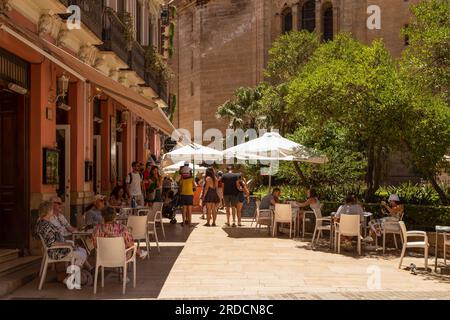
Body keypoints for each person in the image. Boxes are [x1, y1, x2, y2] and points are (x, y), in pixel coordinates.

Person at [36, 201, 90, 286]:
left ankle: (71, 276)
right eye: (51, 210)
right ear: (47, 211)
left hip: (60, 248)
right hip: (56, 252)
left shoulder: (43, 222)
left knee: (82, 251)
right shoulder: (45, 225)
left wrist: (67, 243)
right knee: (82, 254)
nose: (52, 211)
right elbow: (51, 243)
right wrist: (67, 245)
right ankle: (70, 278)